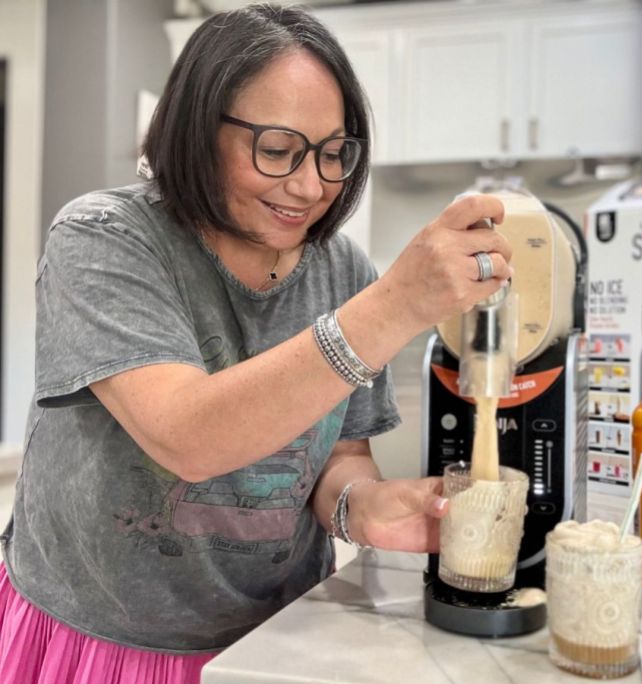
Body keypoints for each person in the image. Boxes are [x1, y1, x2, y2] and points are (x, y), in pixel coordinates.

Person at [0, 4, 512, 683]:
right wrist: (396, 305)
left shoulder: (342, 272)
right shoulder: (105, 239)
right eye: (276, 149)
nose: (311, 186)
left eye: (334, 154)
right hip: (103, 636)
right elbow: (188, 437)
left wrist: (364, 509)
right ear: (197, 128)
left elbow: (340, 458)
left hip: (280, 634)